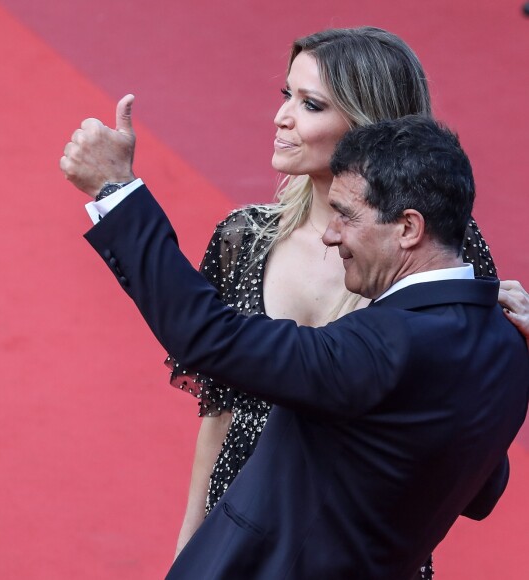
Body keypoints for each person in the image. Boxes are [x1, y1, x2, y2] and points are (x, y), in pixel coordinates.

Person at [61, 112, 529, 579]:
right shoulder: (508, 349)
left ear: (408, 228)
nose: (331, 234)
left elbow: (209, 336)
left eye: (346, 216)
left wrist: (115, 192)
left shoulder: (381, 346)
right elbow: (483, 492)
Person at [160, 29, 497, 573]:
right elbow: (220, 408)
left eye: (310, 104)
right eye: (285, 96)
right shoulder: (243, 237)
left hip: (364, 543)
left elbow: (467, 399)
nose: (282, 117)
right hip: (241, 531)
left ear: (368, 128)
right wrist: (190, 541)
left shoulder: (427, 242)